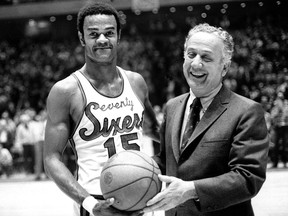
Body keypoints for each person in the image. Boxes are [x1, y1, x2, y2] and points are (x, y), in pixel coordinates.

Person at [43, 2, 159, 216]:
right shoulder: (66, 91)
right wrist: (87, 202)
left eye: (109, 33)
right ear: (81, 38)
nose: (103, 39)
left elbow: (156, 131)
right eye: (94, 34)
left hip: (140, 198)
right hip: (96, 202)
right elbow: (51, 159)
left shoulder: (136, 82)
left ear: (118, 35)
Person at [143, 23, 269, 216]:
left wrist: (191, 190)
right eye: (191, 54)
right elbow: (166, 161)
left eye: (206, 57)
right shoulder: (172, 106)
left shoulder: (247, 111)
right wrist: (132, 166)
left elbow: (248, 177)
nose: (196, 64)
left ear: (224, 67)